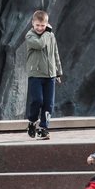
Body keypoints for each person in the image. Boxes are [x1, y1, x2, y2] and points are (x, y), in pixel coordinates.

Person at [26, 10, 62, 139]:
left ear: (46, 24)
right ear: (33, 24)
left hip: (50, 75)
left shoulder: (50, 36)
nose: (40, 28)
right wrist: (47, 32)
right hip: (35, 74)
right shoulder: (30, 36)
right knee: (37, 100)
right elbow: (40, 44)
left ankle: (43, 128)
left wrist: (58, 72)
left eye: (42, 25)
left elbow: (55, 53)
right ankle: (32, 121)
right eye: (37, 25)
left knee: (48, 103)